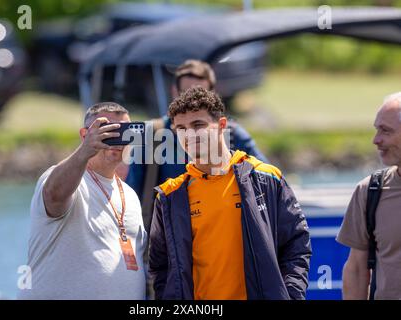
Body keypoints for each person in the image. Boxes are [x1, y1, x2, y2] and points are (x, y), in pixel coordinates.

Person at [148, 87, 311, 300]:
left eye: (198, 125)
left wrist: (291, 296)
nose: (189, 135)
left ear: (222, 126)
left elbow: (296, 245)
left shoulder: (266, 177)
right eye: (181, 128)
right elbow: (160, 267)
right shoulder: (169, 195)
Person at [17, 102, 147, 300]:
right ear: (85, 135)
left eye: (124, 131)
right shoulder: (64, 179)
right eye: (106, 131)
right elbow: (54, 195)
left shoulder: (129, 194)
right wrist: (85, 151)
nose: (117, 139)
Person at [126, 59, 268, 231]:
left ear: (213, 94)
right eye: (185, 92)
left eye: (200, 93)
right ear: (174, 92)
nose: (192, 101)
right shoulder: (151, 135)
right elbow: (130, 196)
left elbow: (266, 186)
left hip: (221, 233)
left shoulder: (233, 135)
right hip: (168, 239)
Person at [337, 92, 401, 300]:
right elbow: (356, 268)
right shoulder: (370, 191)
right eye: (376, 129)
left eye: (385, 131)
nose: (376, 140)